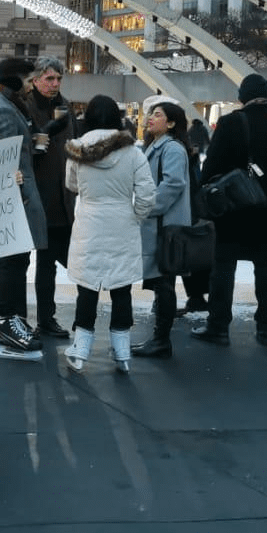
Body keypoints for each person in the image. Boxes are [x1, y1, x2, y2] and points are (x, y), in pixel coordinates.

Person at [190, 74, 267, 347]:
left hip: (234, 205)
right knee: (265, 266)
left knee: (224, 266)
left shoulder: (230, 123)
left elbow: (212, 164)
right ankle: (266, 328)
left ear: (243, 95)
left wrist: (204, 190)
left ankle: (218, 326)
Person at [63, 95, 155, 372]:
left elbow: (71, 185)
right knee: (122, 288)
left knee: (87, 289)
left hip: (89, 222)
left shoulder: (77, 150)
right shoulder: (133, 152)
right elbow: (148, 193)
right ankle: (122, 352)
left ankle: (80, 350)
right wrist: (135, 215)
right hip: (122, 224)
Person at [0, 58, 47, 359]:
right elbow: (4, 160)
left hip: (9, 197)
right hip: (13, 199)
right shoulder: (4, 110)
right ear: (16, 80)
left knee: (3, 261)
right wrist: (16, 195)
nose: (33, 85)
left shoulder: (2, 105)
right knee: (14, 260)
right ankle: (9, 321)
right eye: (29, 79)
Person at [132, 96, 193, 359]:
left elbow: (173, 184)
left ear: (170, 123)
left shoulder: (172, 149)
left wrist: (147, 207)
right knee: (161, 283)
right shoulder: (157, 146)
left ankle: (161, 340)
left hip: (166, 228)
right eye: (150, 114)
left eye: (157, 114)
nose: (150, 118)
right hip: (158, 225)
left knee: (165, 283)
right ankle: (159, 338)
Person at [26, 56, 76, 339]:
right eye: (49, 78)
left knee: (50, 262)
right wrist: (44, 136)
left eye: (58, 78)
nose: (55, 83)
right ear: (35, 80)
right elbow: (24, 149)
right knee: (22, 262)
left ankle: (47, 317)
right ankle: (15, 317)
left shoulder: (65, 106)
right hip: (35, 196)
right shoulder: (26, 107)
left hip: (62, 197)